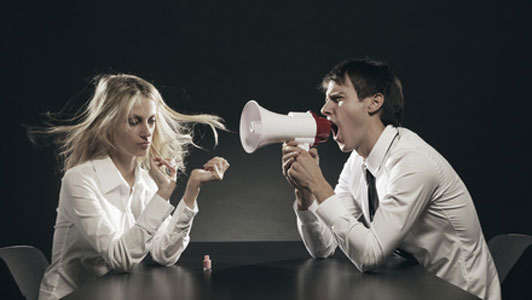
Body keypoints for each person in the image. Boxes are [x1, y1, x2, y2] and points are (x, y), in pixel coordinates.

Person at [281, 58, 500, 300]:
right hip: (410, 288)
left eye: (338, 98)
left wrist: (318, 183)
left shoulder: (412, 162)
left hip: (458, 293)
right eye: (326, 99)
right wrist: (306, 194)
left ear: (374, 103)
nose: (324, 109)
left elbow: (370, 255)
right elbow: (323, 248)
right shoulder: (357, 162)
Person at [32, 74, 230, 300]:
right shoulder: (79, 180)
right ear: (109, 124)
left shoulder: (144, 180)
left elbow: (164, 253)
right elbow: (121, 259)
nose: (147, 132)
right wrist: (163, 193)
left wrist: (192, 190)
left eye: (151, 121)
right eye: (134, 121)